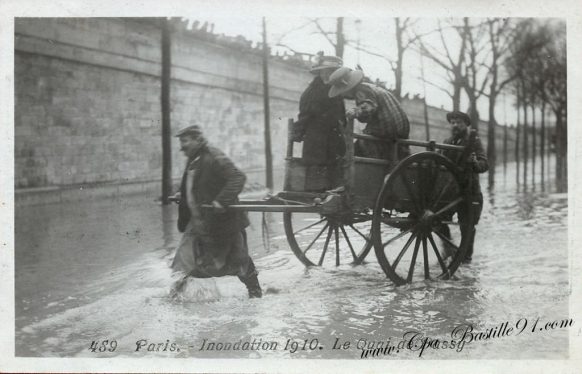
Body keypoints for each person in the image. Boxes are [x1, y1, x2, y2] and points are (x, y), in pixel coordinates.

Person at [170, 125, 262, 298]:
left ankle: (255, 294)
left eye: (185, 141)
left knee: (238, 260)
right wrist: (183, 194)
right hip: (198, 222)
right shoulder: (193, 159)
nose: (182, 147)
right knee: (184, 261)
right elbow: (197, 184)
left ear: (197, 139)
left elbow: (237, 177)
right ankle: (174, 298)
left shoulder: (214, 156)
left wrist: (221, 201)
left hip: (222, 222)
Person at [328, 67, 410, 164]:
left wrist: (356, 112)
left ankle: (368, 171)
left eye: (341, 91)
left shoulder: (361, 91)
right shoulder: (370, 87)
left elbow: (368, 107)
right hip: (401, 127)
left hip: (387, 127)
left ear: (347, 88)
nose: (342, 95)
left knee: (359, 146)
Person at [439, 111, 489, 263]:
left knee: (467, 227)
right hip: (449, 191)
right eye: (453, 122)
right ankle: (449, 249)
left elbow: (484, 164)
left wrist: (474, 162)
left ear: (466, 124)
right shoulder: (447, 141)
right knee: (436, 218)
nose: (455, 125)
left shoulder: (473, 142)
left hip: (469, 190)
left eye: (458, 122)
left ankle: (466, 260)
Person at [293, 52, 346, 190]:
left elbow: (341, 116)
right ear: (320, 73)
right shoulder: (312, 92)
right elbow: (304, 115)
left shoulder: (336, 92)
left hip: (334, 142)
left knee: (335, 176)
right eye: (326, 72)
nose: (329, 75)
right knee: (318, 178)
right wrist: (297, 133)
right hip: (317, 142)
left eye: (333, 72)